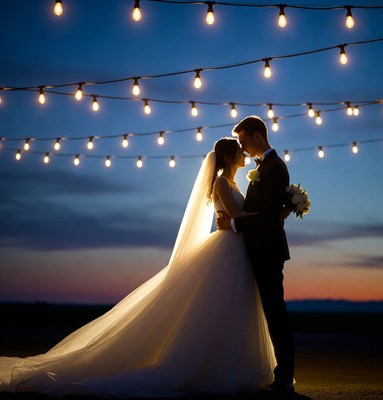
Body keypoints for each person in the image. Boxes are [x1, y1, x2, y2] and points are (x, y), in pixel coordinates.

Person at [0, 138, 276, 398]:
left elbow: (239, 219)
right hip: (227, 248)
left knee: (235, 308)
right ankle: (214, 368)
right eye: (239, 150)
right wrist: (274, 213)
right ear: (228, 156)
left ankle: (234, 364)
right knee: (217, 309)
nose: (244, 153)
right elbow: (237, 217)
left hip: (237, 248)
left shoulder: (235, 183)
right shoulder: (222, 184)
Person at [217, 115, 295, 393]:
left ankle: (284, 377)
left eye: (244, 141)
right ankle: (279, 373)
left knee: (275, 313)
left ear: (258, 137)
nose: (243, 148)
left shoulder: (274, 167)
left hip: (268, 250)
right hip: (258, 249)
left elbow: (269, 214)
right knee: (270, 312)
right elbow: (268, 209)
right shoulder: (263, 168)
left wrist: (234, 223)